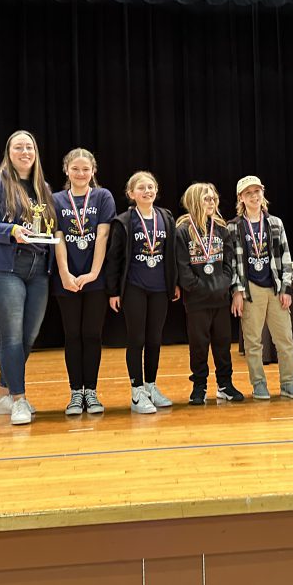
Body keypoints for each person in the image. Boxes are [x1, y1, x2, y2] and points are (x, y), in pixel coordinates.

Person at [0, 130, 53, 426]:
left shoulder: (42, 187)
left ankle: (2, 395)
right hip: (1, 269)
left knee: (27, 337)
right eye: (19, 147)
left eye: (30, 147)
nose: (25, 152)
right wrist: (11, 231)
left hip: (37, 269)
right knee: (12, 337)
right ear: (9, 151)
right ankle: (19, 400)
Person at [105, 171, 180, 414]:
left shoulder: (166, 217)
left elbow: (172, 255)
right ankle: (137, 391)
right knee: (136, 338)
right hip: (134, 288)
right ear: (131, 194)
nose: (147, 191)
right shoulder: (124, 221)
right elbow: (114, 258)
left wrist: (174, 282)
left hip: (160, 288)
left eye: (151, 187)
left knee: (155, 339)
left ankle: (150, 386)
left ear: (156, 190)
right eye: (141, 188)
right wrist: (114, 291)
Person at [229, 176, 293, 400]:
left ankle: (288, 383)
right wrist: (237, 290)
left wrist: (286, 288)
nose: (254, 196)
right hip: (250, 289)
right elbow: (233, 261)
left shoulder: (275, 223)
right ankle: (259, 383)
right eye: (248, 193)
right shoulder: (234, 226)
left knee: (285, 340)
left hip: (275, 287)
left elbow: (286, 257)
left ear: (263, 194)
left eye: (257, 191)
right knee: (253, 342)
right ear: (241, 198)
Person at [52, 148, 116, 415]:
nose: (80, 174)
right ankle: (75, 393)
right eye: (75, 169)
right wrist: (65, 274)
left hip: (95, 279)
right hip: (66, 279)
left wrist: (92, 274)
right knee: (73, 335)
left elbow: (102, 237)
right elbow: (58, 238)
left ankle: (91, 391)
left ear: (93, 171)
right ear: (67, 170)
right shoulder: (55, 199)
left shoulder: (103, 196)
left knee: (92, 335)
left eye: (85, 169)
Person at [176, 182, 244, 404]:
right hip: (196, 301)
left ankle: (225, 384)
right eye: (207, 199)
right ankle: (199, 386)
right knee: (199, 345)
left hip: (219, 298)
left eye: (214, 199)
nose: (212, 202)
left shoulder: (221, 229)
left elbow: (228, 262)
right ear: (194, 200)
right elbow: (182, 268)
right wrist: (198, 287)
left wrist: (223, 284)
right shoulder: (183, 231)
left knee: (223, 343)